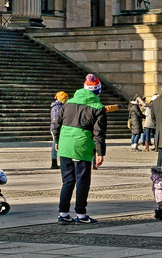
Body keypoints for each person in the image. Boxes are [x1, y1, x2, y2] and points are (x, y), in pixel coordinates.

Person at [55, 74, 108, 224]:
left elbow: (57, 124)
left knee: (67, 181)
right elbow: (99, 133)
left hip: (65, 145)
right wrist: (100, 152)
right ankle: (81, 213)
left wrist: (57, 141)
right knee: (82, 181)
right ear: (98, 91)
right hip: (82, 146)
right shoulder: (98, 107)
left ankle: (63, 213)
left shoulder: (68, 103)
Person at [48, 91, 70, 168]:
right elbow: (56, 120)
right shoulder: (58, 107)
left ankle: (55, 162)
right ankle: (55, 162)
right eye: (67, 97)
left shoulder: (59, 106)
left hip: (57, 128)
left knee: (56, 144)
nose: (68, 98)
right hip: (57, 128)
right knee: (57, 144)